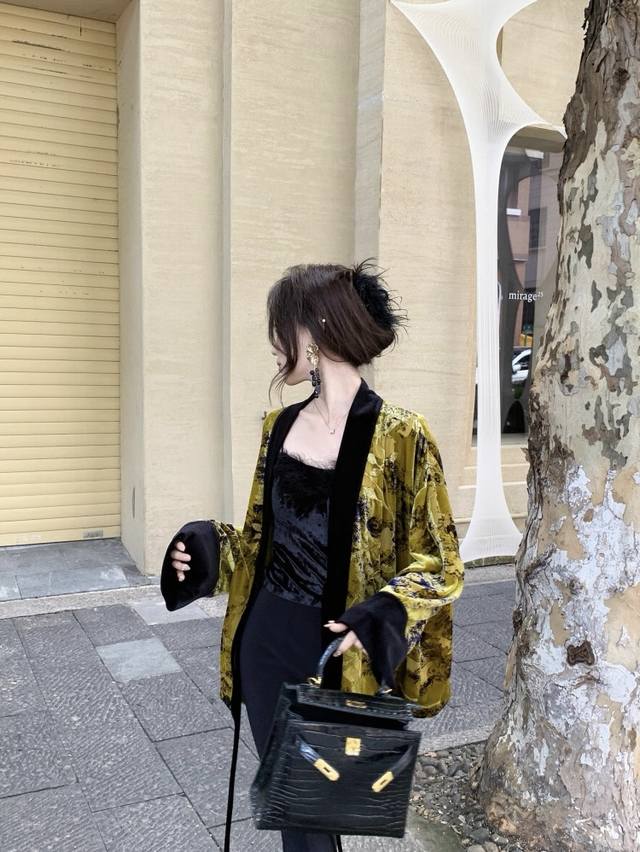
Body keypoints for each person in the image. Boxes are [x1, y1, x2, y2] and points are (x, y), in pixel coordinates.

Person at [160, 259, 465, 852]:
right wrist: (204, 547)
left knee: (314, 812)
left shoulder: (402, 435)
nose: (275, 345)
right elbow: (258, 541)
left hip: (335, 652)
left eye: (282, 329)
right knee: (297, 814)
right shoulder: (278, 427)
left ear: (316, 329)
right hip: (265, 641)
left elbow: (441, 560)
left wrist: (379, 615)